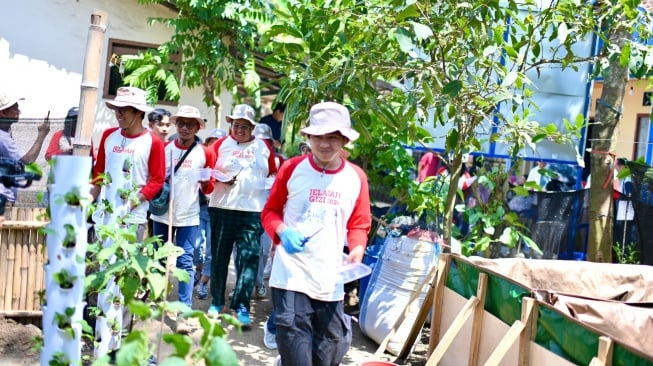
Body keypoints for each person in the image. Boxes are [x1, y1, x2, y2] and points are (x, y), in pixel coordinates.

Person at [261, 101, 372, 366]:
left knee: (330, 351)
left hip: (330, 277)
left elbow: (359, 224)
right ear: (308, 137)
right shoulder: (292, 169)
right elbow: (270, 211)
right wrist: (283, 231)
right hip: (290, 274)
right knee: (297, 350)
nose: (325, 144)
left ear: (344, 139)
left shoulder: (356, 177)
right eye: (318, 137)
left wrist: (357, 249)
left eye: (332, 138)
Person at [207, 104, 277, 327]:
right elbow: (208, 172)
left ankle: (241, 305)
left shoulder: (264, 148)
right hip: (222, 208)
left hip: (252, 211)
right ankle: (218, 301)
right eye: (236, 125)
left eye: (245, 126)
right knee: (219, 257)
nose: (240, 129)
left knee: (248, 259)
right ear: (230, 124)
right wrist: (218, 178)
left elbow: (273, 174)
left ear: (252, 128)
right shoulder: (220, 145)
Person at [150, 105, 216, 334]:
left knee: (185, 263)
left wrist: (207, 183)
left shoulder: (205, 152)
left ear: (198, 127)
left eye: (191, 124)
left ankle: (183, 314)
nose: (185, 128)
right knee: (158, 260)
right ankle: (157, 303)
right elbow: (155, 176)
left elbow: (210, 185)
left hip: (189, 215)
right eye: (181, 123)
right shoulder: (165, 148)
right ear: (176, 125)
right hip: (162, 214)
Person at [90, 86, 166, 242]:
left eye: (123, 109)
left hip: (132, 218)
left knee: (126, 264)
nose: (118, 113)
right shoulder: (108, 135)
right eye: (116, 109)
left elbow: (157, 180)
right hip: (104, 213)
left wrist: (131, 204)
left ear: (138, 112)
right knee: (100, 264)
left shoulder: (153, 142)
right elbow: (99, 173)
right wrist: (88, 200)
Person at [0, 92, 50, 226]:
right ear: (3, 113)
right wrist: (42, 135)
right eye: (15, 108)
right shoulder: (2, 138)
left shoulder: (5, 135)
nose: (19, 111)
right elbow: (26, 161)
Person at [195, 128, 228, 300]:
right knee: (195, 245)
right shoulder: (201, 160)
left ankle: (204, 282)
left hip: (217, 211)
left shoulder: (227, 166)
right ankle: (199, 270)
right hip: (200, 208)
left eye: (218, 141)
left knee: (210, 250)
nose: (214, 145)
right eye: (211, 141)